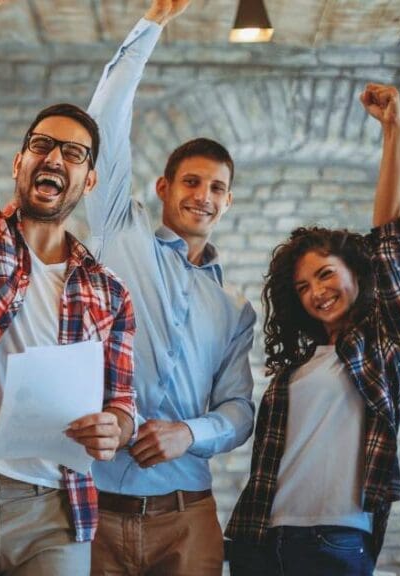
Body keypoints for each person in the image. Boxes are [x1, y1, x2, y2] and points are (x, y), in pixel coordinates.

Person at [0, 0, 138, 573]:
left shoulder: (109, 292)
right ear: (18, 162)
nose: (53, 157)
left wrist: (117, 429)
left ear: (87, 180)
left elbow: (123, 406)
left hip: (56, 512)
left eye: (72, 152)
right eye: (41, 144)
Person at [83, 1, 257, 573]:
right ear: (162, 186)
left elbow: (237, 410)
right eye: (190, 181)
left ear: (227, 201)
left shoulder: (234, 310)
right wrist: (153, 21)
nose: (202, 195)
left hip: (188, 517)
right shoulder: (119, 231)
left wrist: (190, 432)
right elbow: (103, 123)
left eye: (216, 187)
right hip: (95, 514)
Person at [225, 84, 400, 576]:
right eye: (304, 286)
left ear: (355, 271)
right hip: (263, 538)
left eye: (325, 274)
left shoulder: (384, 344)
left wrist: (394, 130)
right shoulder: (298, 367)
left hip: (337, 539)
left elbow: (390, 235)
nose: (316, 291)